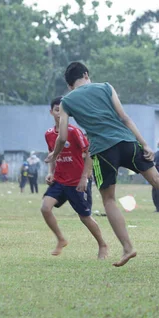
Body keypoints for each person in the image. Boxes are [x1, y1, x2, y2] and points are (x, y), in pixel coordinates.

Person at [47, 61, 159, 268]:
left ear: (69, 85)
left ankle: (127, 247)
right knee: (157, 180)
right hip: (127, 142)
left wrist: (54, 154)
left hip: (102, 150)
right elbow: (124, 117)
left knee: (109, 200)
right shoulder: (106, 87)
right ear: (86, 74)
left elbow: (62, 137)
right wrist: (144, 144)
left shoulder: (68, 101)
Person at [42, 96, 109, 258]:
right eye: (56, 110)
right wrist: (50, 172)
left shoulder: (74, 132)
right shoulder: (49, 134)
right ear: (51, 112)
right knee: (45, 208)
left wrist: (84, 178)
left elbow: (88, 154)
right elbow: (53, 154)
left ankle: (102, 245)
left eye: (62, 110)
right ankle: (61, 239)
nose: (59, 114)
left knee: (84, 216)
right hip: (59, 179)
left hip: (76, 181)